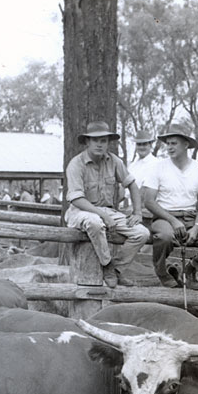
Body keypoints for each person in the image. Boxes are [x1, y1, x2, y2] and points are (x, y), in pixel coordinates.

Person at [64, 120, 150, 288]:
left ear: (108, 143)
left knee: (142, 233)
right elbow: (76, 199)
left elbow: (132, 184)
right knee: (94, 223)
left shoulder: (114, 161)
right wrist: (102, 215)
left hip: (108, 211)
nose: (99, 144)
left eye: (103, 140)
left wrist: (137, 213)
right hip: (80, 211)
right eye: (95, 140)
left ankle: (116, 269)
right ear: (87, 142)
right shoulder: (76, 164)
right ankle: (107, 264)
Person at [142, 122, 198, 289]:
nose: (170, 148)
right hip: (165, 217)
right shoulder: (158, 167)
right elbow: (149, 200)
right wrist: (173, 221)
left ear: (186, 145)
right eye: (168, 144)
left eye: (174, 143)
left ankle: (191, 268)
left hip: (191, 218)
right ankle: (162, 272)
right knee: (164, 237)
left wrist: (197, 227)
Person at [129, 129, 159, 222]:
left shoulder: (156, 164)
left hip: (149, 212)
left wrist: (135, 210)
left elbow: (145, 191)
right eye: (139, 144)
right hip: (134, 209)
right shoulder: (133, 165)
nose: (141, 147)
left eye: (144, 144)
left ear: (150, 145)